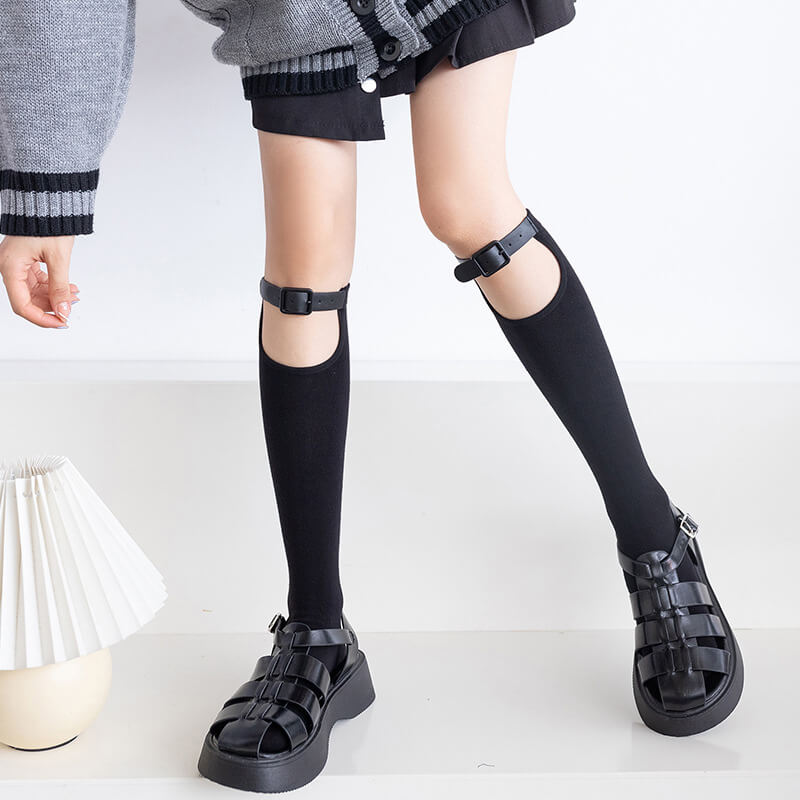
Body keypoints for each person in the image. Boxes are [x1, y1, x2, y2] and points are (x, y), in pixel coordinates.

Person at [0, 0, 744, 793]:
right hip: (287, 12)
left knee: (468, 206)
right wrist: (48, 187)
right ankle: (318, 631)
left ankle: (655, 540)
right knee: (302, 280)